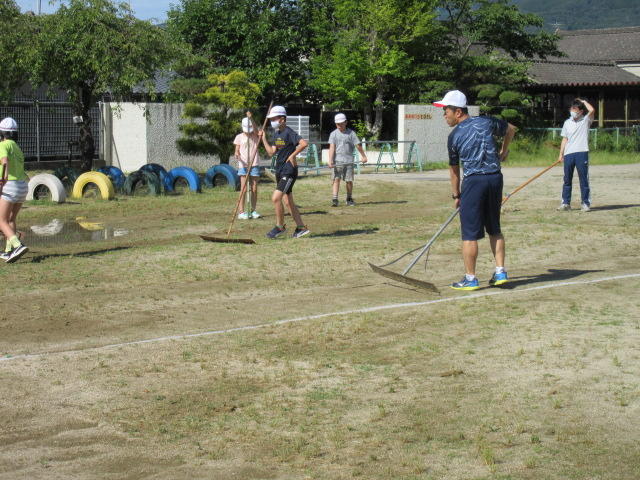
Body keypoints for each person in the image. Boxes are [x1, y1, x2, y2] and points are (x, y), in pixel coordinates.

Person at [434, 90, 516, 291]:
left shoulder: (454, 136)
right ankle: (500, 272)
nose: (444, 115)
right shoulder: (486, 122)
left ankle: (470, 278)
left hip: (474, 182)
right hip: (495, 178)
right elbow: (511, 129)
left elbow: (454, 171)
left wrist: (456, 195)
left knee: (469, 233)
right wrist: (503, 150)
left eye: (446, 111)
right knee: (494, 227)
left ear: (458, 112)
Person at [259, 105, 310, 239]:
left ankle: (280, 227)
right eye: (271, 119)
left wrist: (293, 155)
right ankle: (301, 228)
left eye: (274, 119)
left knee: (276, 198)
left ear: (282, 119)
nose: (272, 121)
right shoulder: (276, 134)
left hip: (289, 171)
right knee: (288, 202)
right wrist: (263, 138)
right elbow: (271, 152)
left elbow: (304, 143)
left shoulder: (289, 132)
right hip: (279, 170)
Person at [557, 98, 596, 212]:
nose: (572, 111)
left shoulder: (586, 120)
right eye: (571, 109)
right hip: (569, 153)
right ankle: (565, 203)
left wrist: (583, 102)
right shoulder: (567, 123)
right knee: (567, 179)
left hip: (582, 152)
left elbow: (592, 110)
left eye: (575, 109)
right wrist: (561, 154)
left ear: (581, 111)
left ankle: (585, 203)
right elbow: (565, 139)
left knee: (583, 179)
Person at [0, 117, 29, 263]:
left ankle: (17, 246)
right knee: (11, 219)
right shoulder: (17, 148)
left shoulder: (3, 145)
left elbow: (4, 162)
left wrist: (3, 179)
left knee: (1, 220)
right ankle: (8, 251)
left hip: (10, 185)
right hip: (22, 186)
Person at [328, 113, 368, 206]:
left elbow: (358, 145)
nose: (339, 126)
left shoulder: (351, 133)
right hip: (337, 161)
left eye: (341, 124)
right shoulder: (333, 134)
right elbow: (332, 147)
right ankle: (335, 199)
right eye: (337, 124)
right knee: (336, 179)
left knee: (349, 180)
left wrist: (363, 156)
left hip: (349, 161)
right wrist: (330, 160)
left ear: (346, 122)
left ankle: (349, 198)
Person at [233, 112, 261, 219]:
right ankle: (241, 212)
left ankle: (253, 210)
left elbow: (257, 130)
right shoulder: (239, 137)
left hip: (254, 164)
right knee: (243, 189)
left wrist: (251, 118)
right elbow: (236, 150)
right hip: (243, 164)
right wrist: (237, 154)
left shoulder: (255, 135)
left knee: (254, 188)